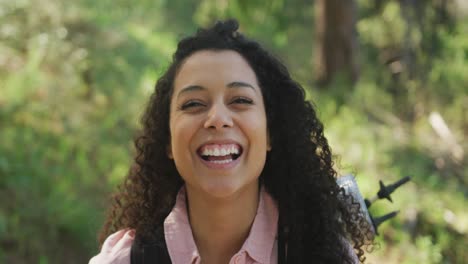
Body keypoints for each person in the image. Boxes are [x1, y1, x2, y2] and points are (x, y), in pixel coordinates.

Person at [89, 19, 371, 264]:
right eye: (194, 104)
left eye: (240, 100)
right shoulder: (125, 260)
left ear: (270, 132)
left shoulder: (324, 257)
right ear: (168, 142)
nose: (217, 118)